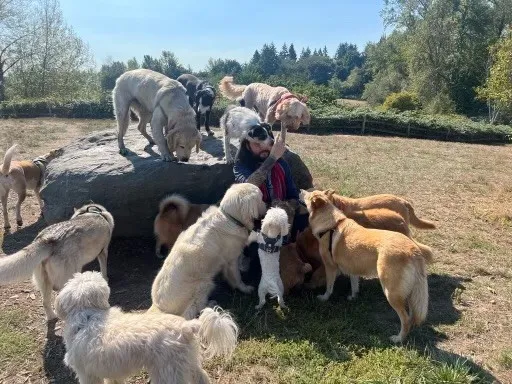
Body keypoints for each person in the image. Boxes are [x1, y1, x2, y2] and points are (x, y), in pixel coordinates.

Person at [233, 126, 307, 241]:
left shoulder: (282, 165)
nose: (264, 148)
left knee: (307, 221)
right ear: (247, 146)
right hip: (256, 222)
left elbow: (293, 195)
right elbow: (249, 186)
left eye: (267, 144)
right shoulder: (241, 167)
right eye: (257, 144)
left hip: (283, 215)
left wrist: (285, 209)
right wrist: (272, 158)